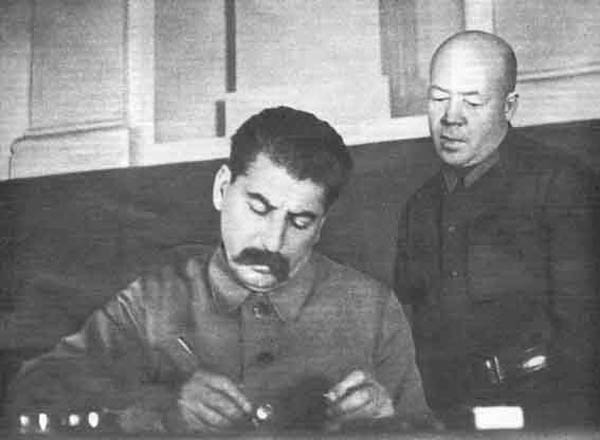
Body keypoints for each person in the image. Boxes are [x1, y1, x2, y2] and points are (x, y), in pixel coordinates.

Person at [10, 106, 435, 434]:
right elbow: (33, 389)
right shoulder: (155, 296)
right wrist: (161, 406)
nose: (273, 242)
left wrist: (388, 423)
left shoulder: (373, 309)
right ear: (221, 188)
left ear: (321, 226)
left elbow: (429, 431)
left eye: (300, 221)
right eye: (259, 208)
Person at [394, 30, 599, 427]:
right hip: (448, 417)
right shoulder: (419, 207)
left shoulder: (562, 187)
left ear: (509, 106)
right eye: (438, 98)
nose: (451, 117)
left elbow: (584, 339)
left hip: (548, 415)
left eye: (472, 102)